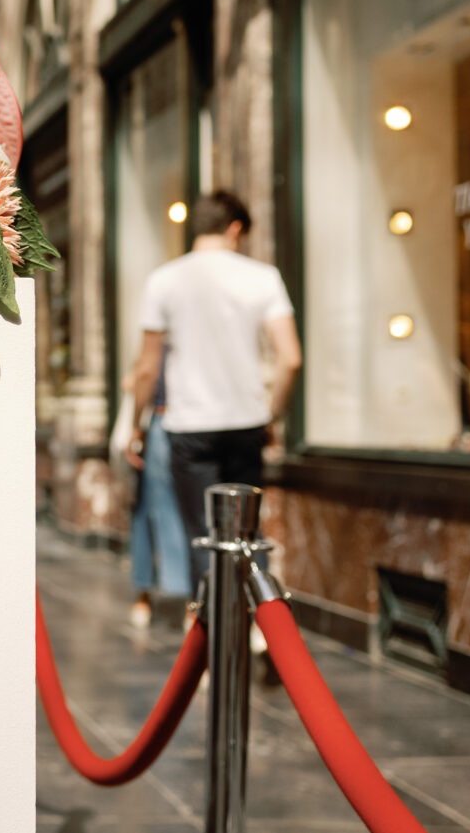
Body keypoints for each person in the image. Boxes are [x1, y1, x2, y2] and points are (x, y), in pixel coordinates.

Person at [128, 190, 301, 584]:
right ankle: (257, 614)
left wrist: (137, 425)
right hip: (247, 424)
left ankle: (209, 618)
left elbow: (147, 368)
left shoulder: (163, 280)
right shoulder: (264, 277)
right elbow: (290, 358)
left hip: (190, 427)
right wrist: (271, 415)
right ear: (235, 229)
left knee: (203, 538)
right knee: (247, 535)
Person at [120, 361, 190, 630]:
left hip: (167, 420)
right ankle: (188, 602)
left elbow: (143, 373)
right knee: (185, 512)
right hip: (191, 422)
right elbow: (141, 373)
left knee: (152, 510)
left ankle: (147, 596)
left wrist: (136, 425)